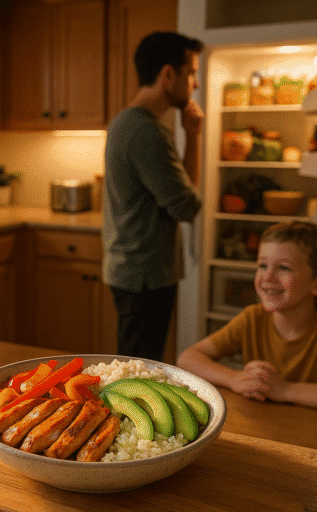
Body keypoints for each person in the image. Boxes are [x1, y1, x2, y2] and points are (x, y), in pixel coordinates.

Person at [178, 221, 317, 418]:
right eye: (262, 265)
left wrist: (283, 390)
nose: (267, 278)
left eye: (284, 268)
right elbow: (187, 359)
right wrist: (234, 379)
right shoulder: (252, 318)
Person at [102, 31, 204, 361]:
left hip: (134, 268)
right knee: (139, 367)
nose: (196, 84)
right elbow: (188, 205)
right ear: (168, 75)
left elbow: (181, 192)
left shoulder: (126, 122)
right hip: (145, 274)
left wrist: (192, 135)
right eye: (192, 73)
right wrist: (194, 138)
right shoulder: (146, 130)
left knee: (136, 361)